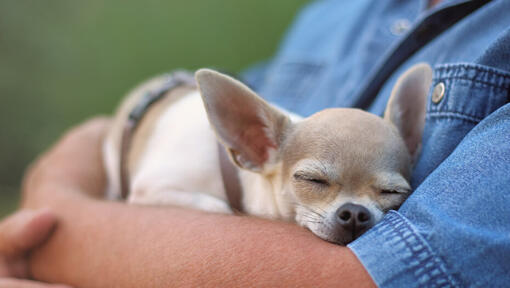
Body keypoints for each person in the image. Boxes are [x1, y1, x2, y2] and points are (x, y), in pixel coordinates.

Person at [3, 0, 510, 286]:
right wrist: (73, 162)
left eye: (388, 194)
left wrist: (60, 215)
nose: (355, 213)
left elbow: (356, 280)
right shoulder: (337, 13)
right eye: (315, 181)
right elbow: (144, 118)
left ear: (411, 139)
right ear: (248, 140)